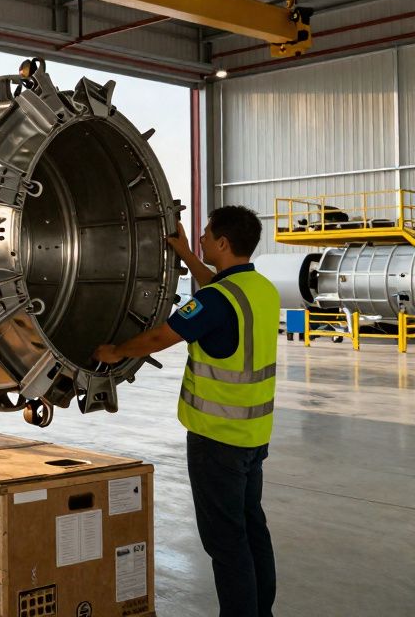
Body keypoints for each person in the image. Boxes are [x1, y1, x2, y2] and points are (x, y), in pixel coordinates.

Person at [93, 205, 278, 617]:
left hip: (217, 440)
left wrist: (115, 351)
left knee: (225, 542)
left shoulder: (213, 301)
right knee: (252, 529)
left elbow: (161, 337)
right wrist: (184, 255)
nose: (202, 240)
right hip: (253, 436)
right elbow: (218, 287)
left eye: (207, 235)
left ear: (224, 243)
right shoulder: (259, 289)